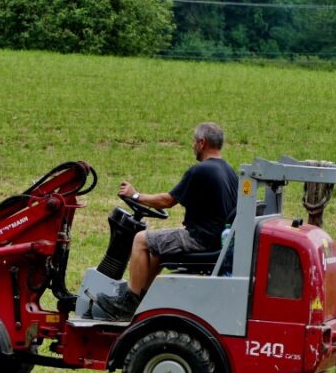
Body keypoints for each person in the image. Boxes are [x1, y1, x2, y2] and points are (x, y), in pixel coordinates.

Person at [96, 122, 238, 320]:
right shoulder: (230, 172)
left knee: (141, 240)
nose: (192, 146)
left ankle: (128, 303)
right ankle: (145, 299)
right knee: (156, 250)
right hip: (217, 240)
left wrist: (135, 195)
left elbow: (168, 201)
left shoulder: (201, 170)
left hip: (200, 240)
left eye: (193, 142)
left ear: (202, 143)